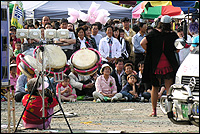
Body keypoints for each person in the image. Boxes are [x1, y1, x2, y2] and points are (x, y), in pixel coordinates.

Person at [140, 15, 179, 117]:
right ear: (170, 24)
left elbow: (142, 43)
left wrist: (149, 50)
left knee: (155, 87)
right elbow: (178, 48)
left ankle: (154, 111)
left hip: (155, 63)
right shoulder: (172, 35)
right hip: (168, 62)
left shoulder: (153, 33)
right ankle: (171, 111)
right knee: (169, 88)